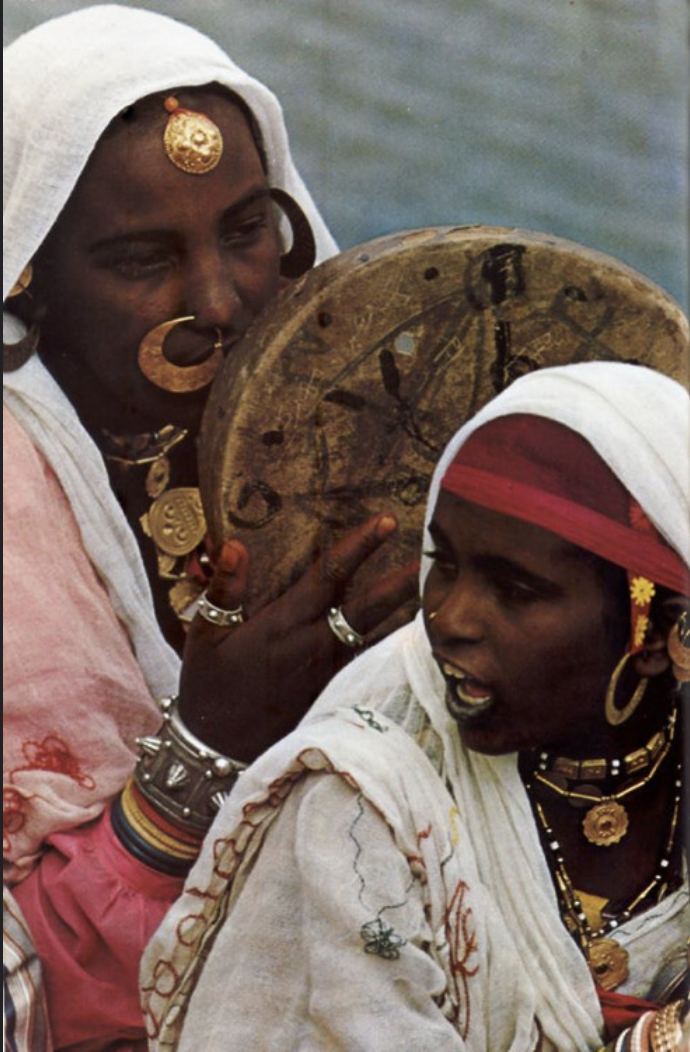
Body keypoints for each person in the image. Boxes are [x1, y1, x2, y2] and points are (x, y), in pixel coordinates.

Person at [3, 6, 415, 1049]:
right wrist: (210, 742)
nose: (224, 299)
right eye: (144, 257)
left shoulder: (373, 444)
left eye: (245, 230)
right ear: (26, 278)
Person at [143, 361, 688, 1051]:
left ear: (651, 636)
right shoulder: (361, 806)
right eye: (445, 563)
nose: (448, 617)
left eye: (516, 590)